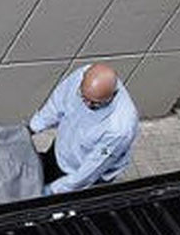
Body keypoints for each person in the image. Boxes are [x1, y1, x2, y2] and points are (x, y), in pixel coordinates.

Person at [28, 63, 139, 195]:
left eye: (94, 104)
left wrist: (55, 190)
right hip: (64, 147)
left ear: (113, 95)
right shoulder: (84, 74)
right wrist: (33, 127)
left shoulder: (120, 128)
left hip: (79, 170)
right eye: (84, 98)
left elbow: (92, 168)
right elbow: (58, 102)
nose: (87, 104)